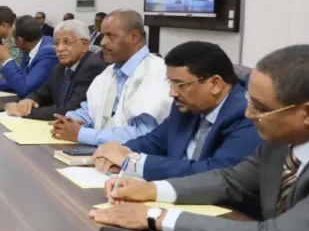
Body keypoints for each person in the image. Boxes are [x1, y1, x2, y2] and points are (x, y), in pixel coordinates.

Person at [91, 44, 309, 231]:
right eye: (249, 101)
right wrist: (152, 190)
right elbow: (230, 180)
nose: (248, 115)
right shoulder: (278, 144)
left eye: (260, 109)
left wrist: (157, 217)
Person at [92, 41, 261, 181]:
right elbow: (156, 141)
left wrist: (134, 163)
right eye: (170, 83)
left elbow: (216, 173)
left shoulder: (246, 114)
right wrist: (119, 152)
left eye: (180, 84)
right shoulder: (187, 105)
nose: (172, 93)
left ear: (215, 84)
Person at [52, 9, 171, 145]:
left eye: (110, 36)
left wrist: (82, 134)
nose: (103, 42)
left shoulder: (157, 73)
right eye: (103, 35)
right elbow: (90, 110)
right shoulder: (109, 72)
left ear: (134, 37)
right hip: (103, 152)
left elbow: (144, 133)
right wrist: (69, 121)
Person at [6, 20, 106, 120]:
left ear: (84, 45)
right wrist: (29, 100)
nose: (60, 48)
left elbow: (72, 110)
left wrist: (25, 112)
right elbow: (41, 93)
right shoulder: (58, 68)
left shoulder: (93, 67)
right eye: (56, 43)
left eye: (67, 42)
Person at [0, 15, 58, 97]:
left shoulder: (48, 53)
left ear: (20, 40)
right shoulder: (29, 48)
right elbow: (20, 78)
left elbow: (24, 88)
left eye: (13, 38)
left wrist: (6, 59)